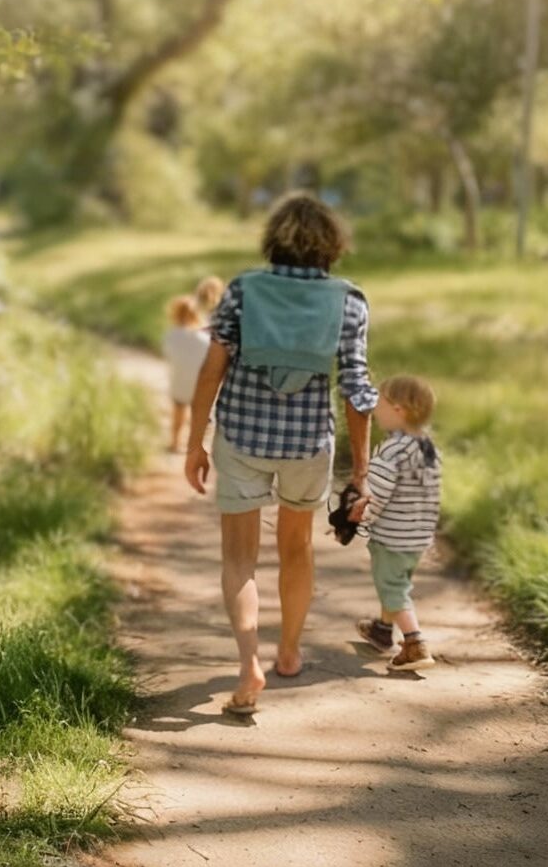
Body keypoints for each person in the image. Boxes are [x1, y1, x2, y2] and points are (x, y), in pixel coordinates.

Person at [185, 193, 377, 716]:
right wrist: (360, 473)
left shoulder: (244, 291)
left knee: (239, 558)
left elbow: (211, 371)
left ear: (274, 240)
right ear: (332, 245)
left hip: (242, 438)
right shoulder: (349, 300)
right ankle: (287, 652)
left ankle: (249, 662)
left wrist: (193, 442)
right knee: (297, 549)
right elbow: (357, 392)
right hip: (307, 445)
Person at [351, 374, 441, 670]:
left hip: (392, 537)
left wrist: (359, 521)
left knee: (392, 587)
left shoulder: (392, 450)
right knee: (397, 583)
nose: (375, 409)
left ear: (399, 409)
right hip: (417, 536)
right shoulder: (428, 448)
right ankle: (381, 630)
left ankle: (415, 644)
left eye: (380, 403)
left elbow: (375, 496)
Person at [163, 295, 209, 452]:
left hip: (179, 380)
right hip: (198, 382)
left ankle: (175, 442)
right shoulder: (204, 338)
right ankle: (194, 444)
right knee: (198, 415)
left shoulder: (171, 335)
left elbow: (168, 354)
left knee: (178, 412)